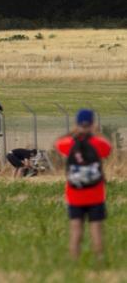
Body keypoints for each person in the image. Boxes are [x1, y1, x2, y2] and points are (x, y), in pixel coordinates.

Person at [56, 109, 112, 261]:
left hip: (75, 195)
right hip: (96, 194)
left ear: (77, 124)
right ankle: (99, 259)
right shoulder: (97, 143)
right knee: (96, 230)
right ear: (93, 124)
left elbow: (58, 144)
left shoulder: (69, 144)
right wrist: (97, 133)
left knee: (75, 230)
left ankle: (74, 260)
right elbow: (108, 148)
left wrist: (72, 132)